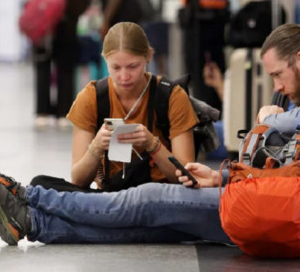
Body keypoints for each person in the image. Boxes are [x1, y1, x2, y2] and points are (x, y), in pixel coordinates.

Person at [0, 22, 300, 245]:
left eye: (278, 75)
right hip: (265, 202)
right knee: (148, 226)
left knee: (147, 199)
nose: (278, 88)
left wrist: (275, 120)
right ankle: (32, 223)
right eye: (116, 68)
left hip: (290, 215)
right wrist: (222, 176)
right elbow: (281, 172)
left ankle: (22, 195)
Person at [27, 22, 198, 192]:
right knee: (40, 184)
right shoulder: (92, 97)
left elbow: (185, 176)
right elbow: (78, 180)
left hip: (161, 196)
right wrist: (96, 146)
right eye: (115, 67)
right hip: (111, 199)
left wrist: (153, 144)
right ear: (105, 60)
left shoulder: (172, 96)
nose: (124, 76)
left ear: (149, 56)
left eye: (133, 66)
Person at [34, 0, 91, 130]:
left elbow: (39, 3)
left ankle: (42, 113)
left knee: (43, 72)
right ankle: (63, 114)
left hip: (48, 33)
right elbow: (83, 6)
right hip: (69, 33)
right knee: (66, 73)